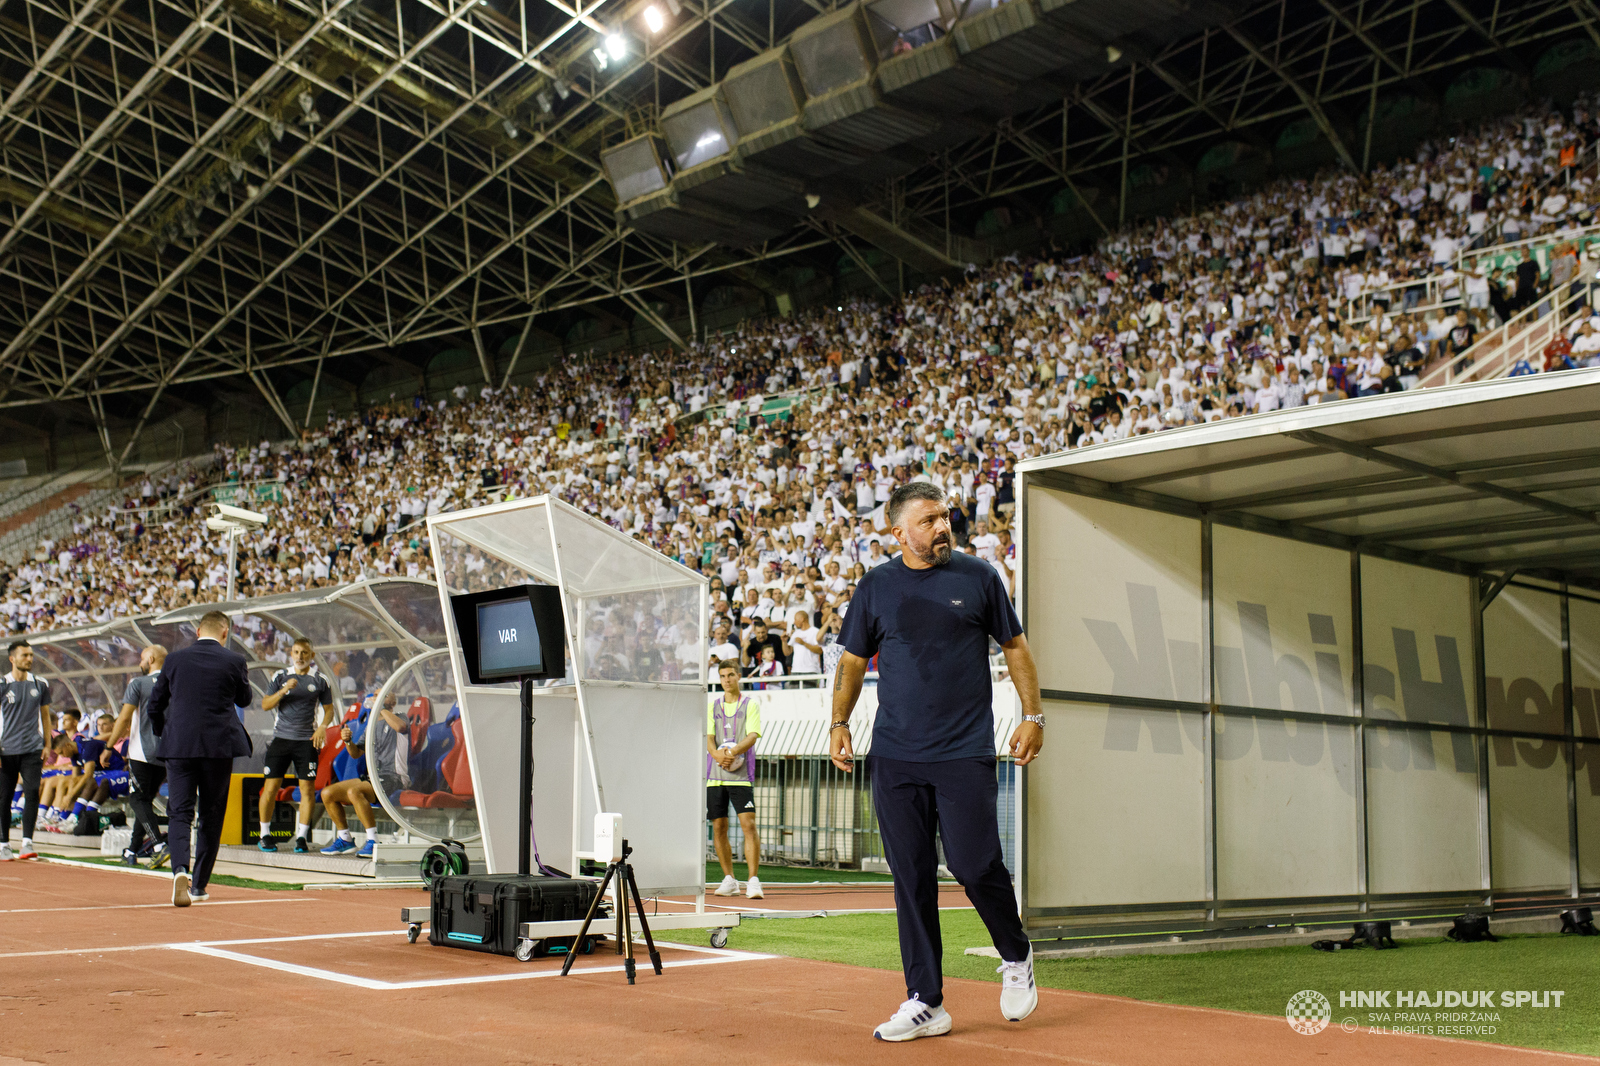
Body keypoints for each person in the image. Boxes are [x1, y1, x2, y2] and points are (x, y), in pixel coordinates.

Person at [830, 482, 1044, 1042]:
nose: (943, 526)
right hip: (896, 755)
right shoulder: (875, 587)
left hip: (963, 751)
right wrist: (839, 724)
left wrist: (1033, 716)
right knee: (912, 878)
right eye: (928, 520)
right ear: (897, 532)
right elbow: (852, 662)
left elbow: (1015, 646)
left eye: (945, 517)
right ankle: (926, 1000)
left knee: (976, 867)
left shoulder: (977, 577)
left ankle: (1016, 953)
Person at [147, 611, 254, 907]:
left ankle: (179, 869)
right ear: (225, 632)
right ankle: (199, 885)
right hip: (218, 745)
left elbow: (155, 705)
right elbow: (244, 700)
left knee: (179, 811)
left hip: (179, 744)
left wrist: (164, 732)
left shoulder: (175, 660)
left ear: (197, 631)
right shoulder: (234, 661)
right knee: (211, 813)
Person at [258, 638, 336, 853]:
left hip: (306, 741)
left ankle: (301, 838)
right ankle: (265, 835)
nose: (300, 657)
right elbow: (265, 704)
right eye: (296, 652)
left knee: (307, 790)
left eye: (304, 653)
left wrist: (322, 727)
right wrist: (283, 691)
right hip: (281, 739)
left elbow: (328, 709)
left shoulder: (320, 680)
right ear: (291, 654)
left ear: (312, 656)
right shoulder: (280, 676)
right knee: (271, 787)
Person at [319, 692, 408, 857]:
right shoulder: (371, 724)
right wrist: (347, 741)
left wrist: (379, 708)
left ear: (393, 701)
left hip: (394, 777)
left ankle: (373, 841)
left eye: (383, 694)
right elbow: (356, 753)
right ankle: (345, 839)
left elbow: (400, 728)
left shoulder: (400, 716)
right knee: (328, 793)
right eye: (375, 694)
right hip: (373, 777)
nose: (376, 696)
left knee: (354, 791)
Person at [105, 644, 169, 867]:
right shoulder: (175, 682)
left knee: (137, 799)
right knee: (145, 802)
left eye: (142, 659)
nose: (140, 663)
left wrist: (109, 746)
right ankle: (132, 850)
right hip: (167, 752)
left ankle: (159, 845)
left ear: (151, 659)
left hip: (142, 752)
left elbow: (124, 718)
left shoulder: (138, 683)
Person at [706, 661, 763, 900]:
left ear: (738, 676)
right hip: (715, 776)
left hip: (741, 777)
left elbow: (752, 735)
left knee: (748, 826)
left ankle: (753, 881)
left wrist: (732, 752)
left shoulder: (750, 704)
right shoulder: (713, 706)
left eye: (730, 675)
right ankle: (729, 879)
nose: (727, 679)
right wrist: (718, 755)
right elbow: (708, 737)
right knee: (719, 827)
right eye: (722, 676)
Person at [0, 640, 52, 861]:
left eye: (31, 655)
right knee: (4, 797)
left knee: (32, 792)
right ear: (12, 659)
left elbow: (46, 715)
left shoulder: (40, 684)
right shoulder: (2, 684)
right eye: (24, 655)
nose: (29, 659)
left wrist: (48, 743)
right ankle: (3, 843)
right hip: (5, 750)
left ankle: (27, 843)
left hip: (32, 748)